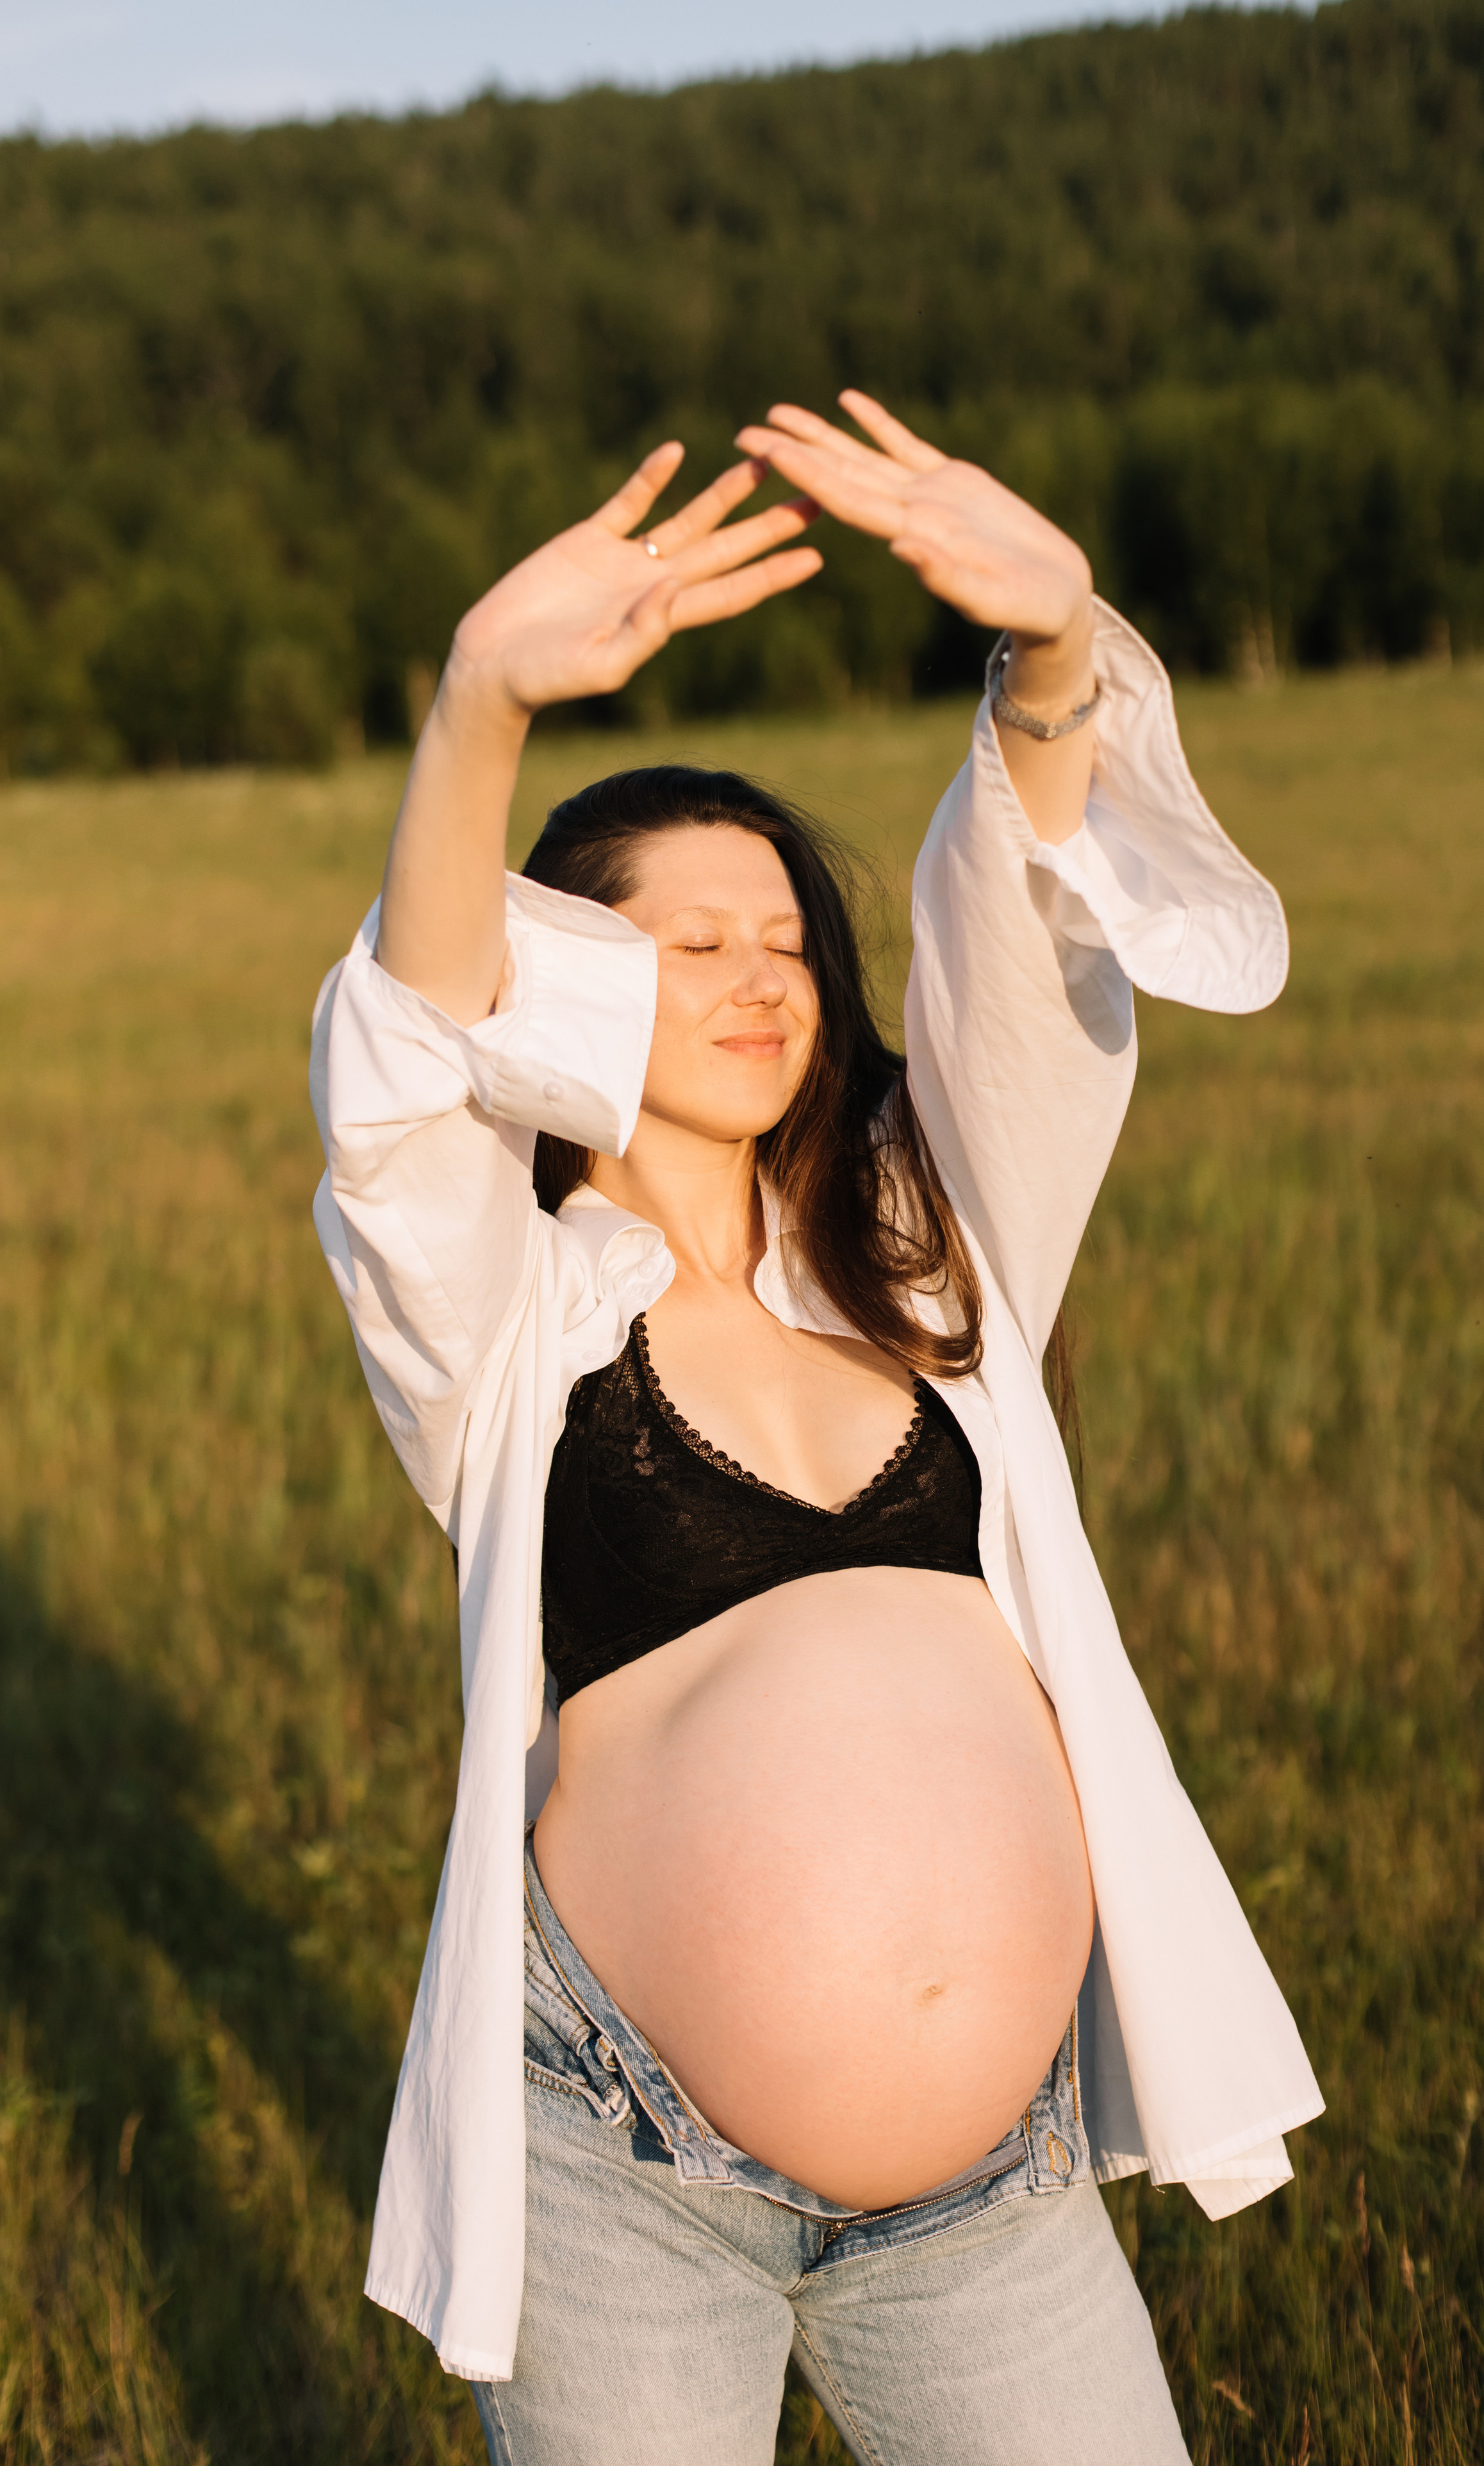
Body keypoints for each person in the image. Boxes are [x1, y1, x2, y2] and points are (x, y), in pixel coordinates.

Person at [309, 392, 1323, 2463]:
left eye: (785, 938)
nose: (761, 975)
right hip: (623, 2170)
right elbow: (403, 1056)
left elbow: (1016, 955)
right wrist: (483, 697)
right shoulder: (508, 1321)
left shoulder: (924, 1247)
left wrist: (1052, 650)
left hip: (991, 2191)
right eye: (689, 944)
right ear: (572, 985)